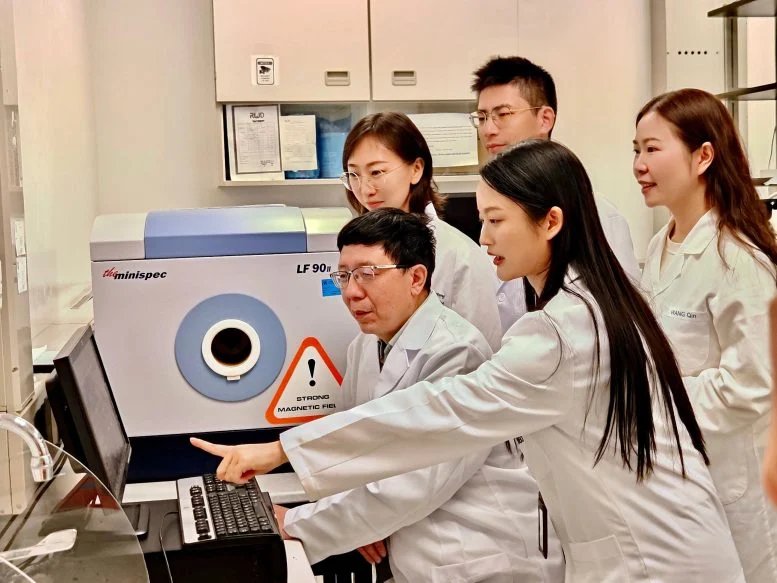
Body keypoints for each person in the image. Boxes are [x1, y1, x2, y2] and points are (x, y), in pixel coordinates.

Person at [192, 140, 744, 583]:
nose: (483, 239)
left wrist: (281, 449)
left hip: (651, 556)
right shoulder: (595, 305)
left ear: (550, 222)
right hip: (651, 540)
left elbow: (438, 413)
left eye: (497, 221)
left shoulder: (559, 333)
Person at [267, 208, 561, 582]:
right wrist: (357, 524)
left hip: (480, 552)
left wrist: (298, 523)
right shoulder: (364, 347)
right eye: (344, 276)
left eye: (367, 275)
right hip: (420, 548)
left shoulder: (457, 350)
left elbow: (420, 481)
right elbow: (357, 447)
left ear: (416, 277)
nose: (351, 291)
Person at [634, 87, 777, 582]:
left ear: (703, 156)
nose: (639, 164)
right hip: (682, 472)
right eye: (636, 150)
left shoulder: (738, 260)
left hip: (733, 481)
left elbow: (754, 384)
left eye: (653, 148)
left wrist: (657, 399)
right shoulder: (661, 245)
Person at [470, 56, 641, 332]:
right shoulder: (494, 209)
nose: (488, 129)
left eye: (503, 114)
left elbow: (618, 319)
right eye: (481, 117)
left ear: (545, 119)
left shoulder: (595, 215)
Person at [339, 111, 503, 350]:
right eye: (353, 174)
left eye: (376, 172)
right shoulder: (355, 248)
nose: (365, 189)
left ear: (416, 169)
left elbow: (480, 350)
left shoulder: (457, 255)